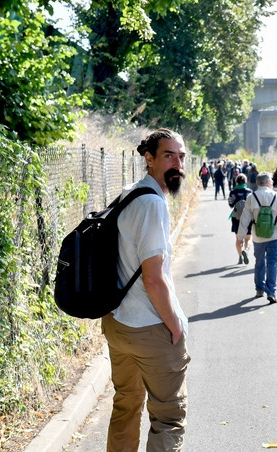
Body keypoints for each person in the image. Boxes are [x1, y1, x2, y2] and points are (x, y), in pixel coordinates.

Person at [102, 128, 190, 451]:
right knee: (168, 418)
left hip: (118, 324)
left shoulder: (129, 194)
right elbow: (154, 279)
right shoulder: (153, 205)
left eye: (181, 156)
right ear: (149, 159)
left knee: (126, 405)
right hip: (149, 329)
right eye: (169, 156)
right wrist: (175, 325)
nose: (177, 163)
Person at [236, 171, 277, 304]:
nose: (272, 183)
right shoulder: (276, 196)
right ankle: (271, 292)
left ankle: (259, 289)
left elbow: (245, 218)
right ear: (267, 182)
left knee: (259, 263)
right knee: (272, 264)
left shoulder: (252, 197)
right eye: (271, 182)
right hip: (274, 236)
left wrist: (240, 237)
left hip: (258, 237)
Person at [228, 173, 252, 265]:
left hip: (236, 218)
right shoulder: (249, 192)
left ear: (236, 182)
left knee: (238, 239)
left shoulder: (233, 192)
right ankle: (246, 250)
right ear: (245, 181)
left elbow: (231, 205)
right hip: (248, 218)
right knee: (248, 239)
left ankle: (240, 257)